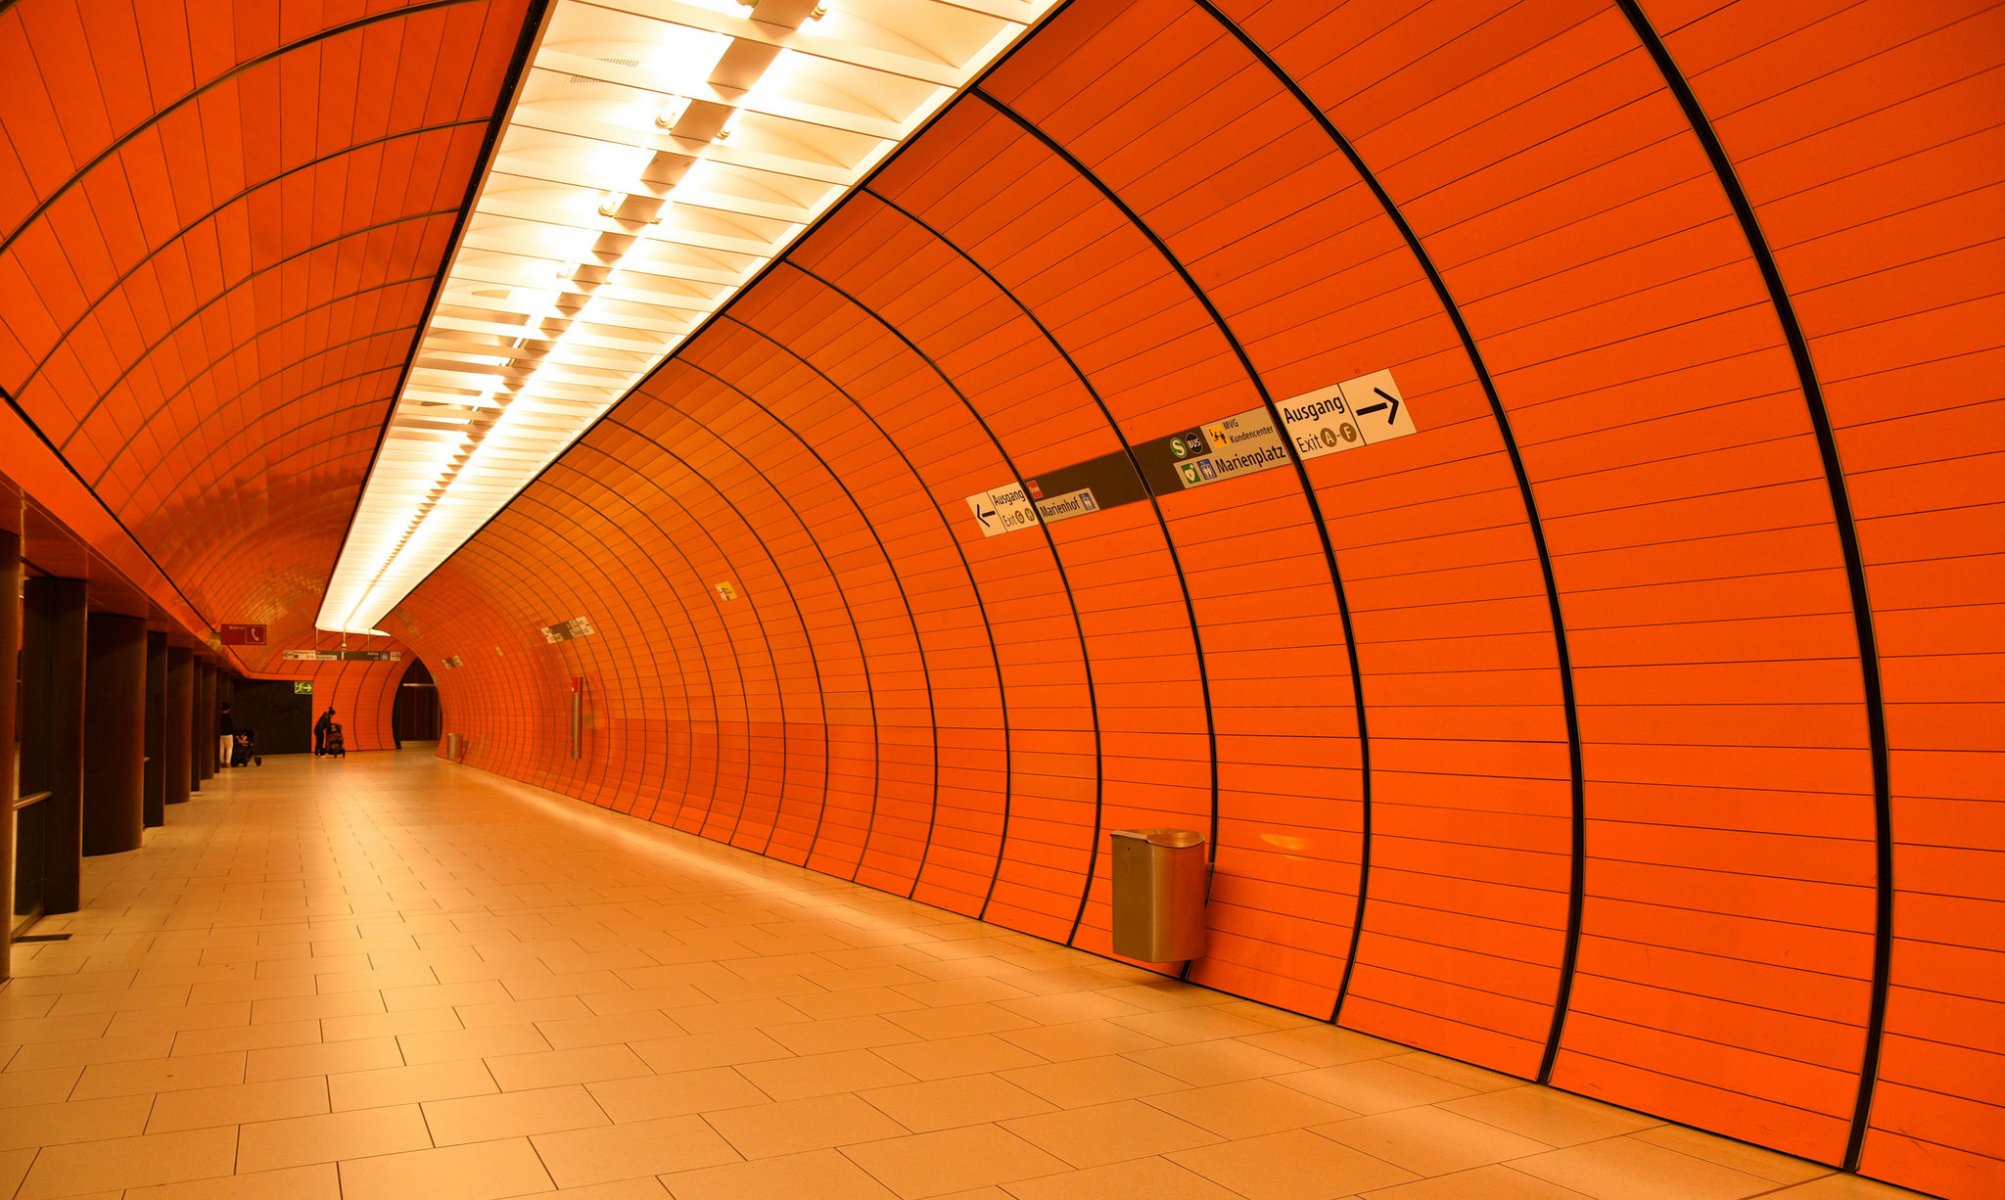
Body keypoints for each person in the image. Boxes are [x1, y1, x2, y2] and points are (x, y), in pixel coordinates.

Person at [218, 702, 235, 770]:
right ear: (228, 709)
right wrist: (235, 734)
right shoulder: (228, 717)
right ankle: (227, 762)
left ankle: (221, 762)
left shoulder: (219, 717)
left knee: (221, 748)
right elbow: (231, 726)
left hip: (221, 734)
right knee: (229, 748)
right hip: (228, 734)